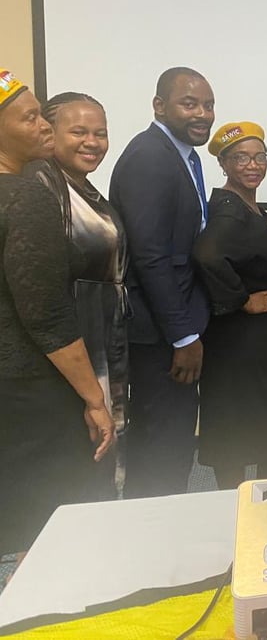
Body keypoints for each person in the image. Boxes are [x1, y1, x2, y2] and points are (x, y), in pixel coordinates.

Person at [0, 70, 115, 558]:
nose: (43, 125)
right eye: (30, 118)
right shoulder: (26, 194)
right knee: (46, 519)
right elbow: (44, 312)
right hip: (31, 383)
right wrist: (94, 398)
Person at [109, 67, 214, 498]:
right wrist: (183, 336)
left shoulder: (181, 154)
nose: (202, 114)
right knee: (162, 446)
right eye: (190, 104)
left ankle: (164, 523)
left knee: (171, 441)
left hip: (171, 324)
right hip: (160, 334)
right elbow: (150, 256)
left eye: (208, 105)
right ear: (159, 106)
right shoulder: (150, 157)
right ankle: (150, 529)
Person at [27, 92, 128, 500]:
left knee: (102, 453)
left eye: (100, 133)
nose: (93, 142)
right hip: (71, 344)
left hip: (103, 337)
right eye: (79, 132)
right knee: (77, 459)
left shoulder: (83, 187)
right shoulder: (42, 182)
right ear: (49, 131)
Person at [192, 122, 267, 489]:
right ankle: (235, 506)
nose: (252, 165)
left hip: (262, 345)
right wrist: (242, 300)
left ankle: (263, 499)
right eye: (240, 158)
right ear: (223, 163)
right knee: (234, 428)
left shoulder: (249, 206)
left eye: (259, 157)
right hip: (240, 345)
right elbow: (207, 256)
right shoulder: (229, 209)